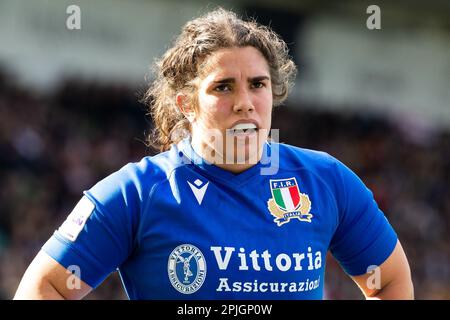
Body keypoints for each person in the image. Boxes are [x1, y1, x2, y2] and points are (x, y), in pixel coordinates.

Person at [14, 8, 413, 300]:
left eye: (258, 84)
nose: (245, 102)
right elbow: (44, 287)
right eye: (223, 87)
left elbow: (391, 280)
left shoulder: (326, 180)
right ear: (187, 103)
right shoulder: (139, 193)